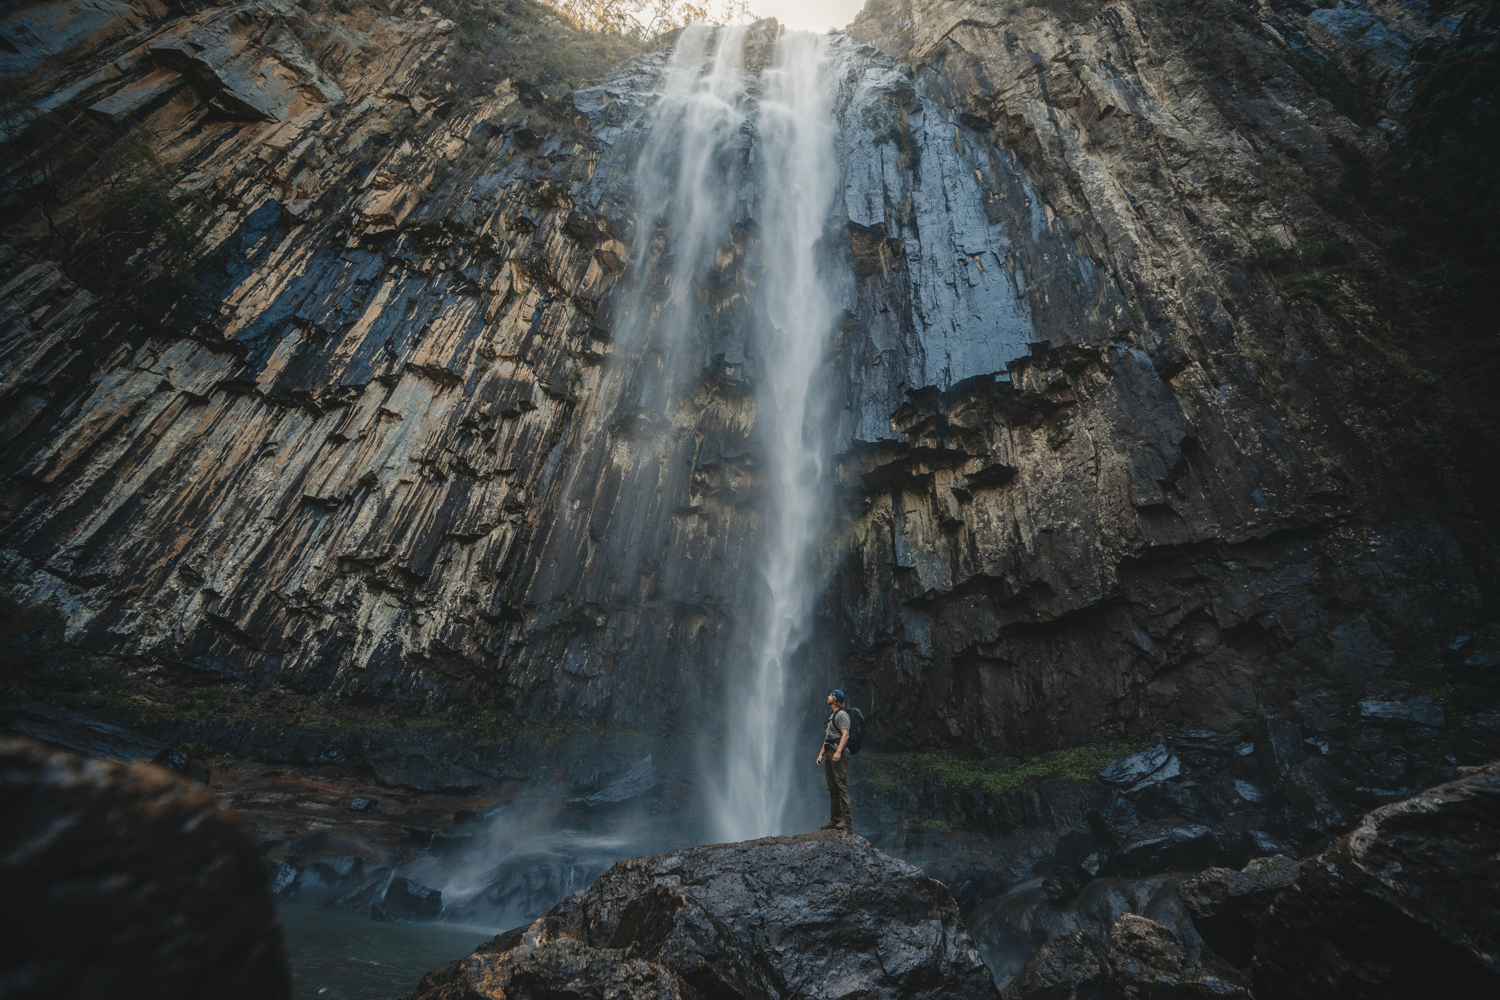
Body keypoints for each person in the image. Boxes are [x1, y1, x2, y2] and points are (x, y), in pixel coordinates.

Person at [816, 689, 852, 830]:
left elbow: (846, 735)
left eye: (831, 695)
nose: (828, 696)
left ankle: (846, 819)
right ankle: (835, 818)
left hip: (838, 754)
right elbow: (828, 739)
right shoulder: (832, 716)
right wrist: (821, 754)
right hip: (830, 753)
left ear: (836, 700)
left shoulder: (842, 715)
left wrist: (838, 751)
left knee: (841, 785)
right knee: (832, 787)